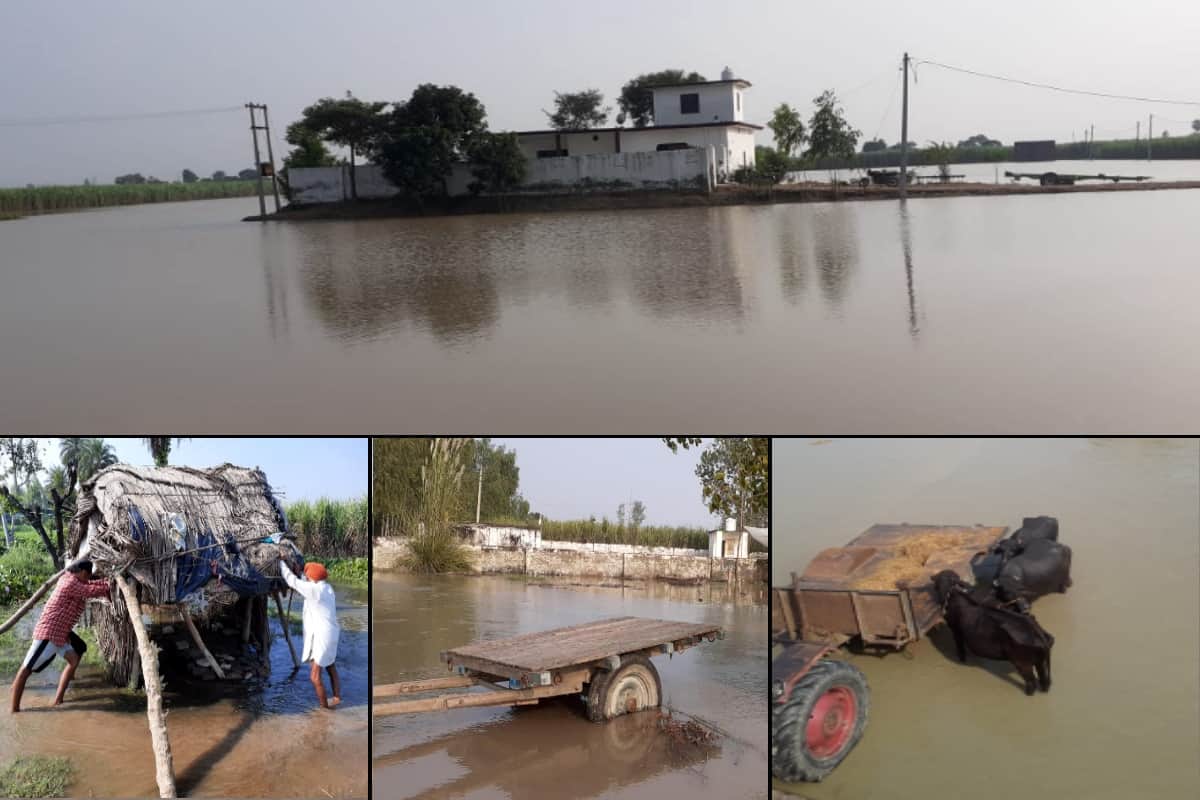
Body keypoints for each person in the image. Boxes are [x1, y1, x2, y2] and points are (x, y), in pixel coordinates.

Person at [10, 560, 112, 713]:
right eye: (89, 577)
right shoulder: (70, 582)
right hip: (48, 634)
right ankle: (14, 710)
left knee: (74, 659)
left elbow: (92, 586)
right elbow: (90, 590)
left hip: (61, 634)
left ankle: (58, 700)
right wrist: (110, 585)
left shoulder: (72, 579)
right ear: (84, 573)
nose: (89, 580)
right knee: (26, 670)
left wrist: (108, 583)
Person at [279, 558, 341, 709]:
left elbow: (292, 581)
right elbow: (304, 583)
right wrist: (300, 573)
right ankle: (337, 698)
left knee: (314, 677)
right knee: (330, 666)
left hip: (323, 636)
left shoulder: (315, 591)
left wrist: (281, 564)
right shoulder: (326, 588)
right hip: (330, 633)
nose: (306, 578)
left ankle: (324, 710)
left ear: (311, 578)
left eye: (307, 576)